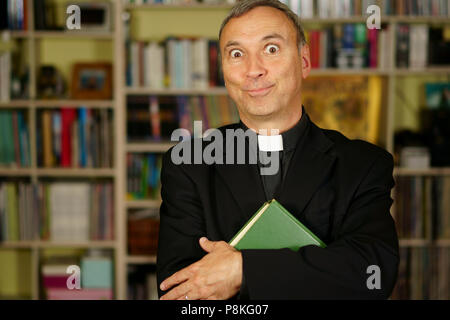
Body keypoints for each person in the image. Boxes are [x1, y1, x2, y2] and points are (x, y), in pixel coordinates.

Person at [157, 0, 399, 300]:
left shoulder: (364, 164)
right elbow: (178, 292)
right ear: (223, 72)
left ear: (304, 61)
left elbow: (372, 273)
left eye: (271, 49)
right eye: (236, 54)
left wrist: (243, 271)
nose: (253, 70)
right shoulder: (187, 165)